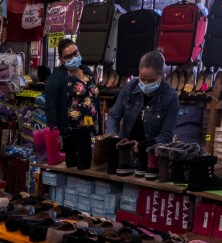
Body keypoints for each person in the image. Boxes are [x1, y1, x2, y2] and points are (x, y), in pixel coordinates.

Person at [106, 50, 179, 179]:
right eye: (142, 78)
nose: (145, 84)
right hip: (124, 154)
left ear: (161, 74)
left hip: (151, 158)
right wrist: (114, 137)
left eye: (151, 80)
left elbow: (166, 134)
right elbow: (114, 116)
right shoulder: (129, 88)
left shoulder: (170, 97)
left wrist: (143, 146)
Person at [44, 38, 99, 170]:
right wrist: (56, 133)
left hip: (91, 126)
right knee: (76, 166)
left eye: (75, 53)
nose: (74, 57)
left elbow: (94, 98)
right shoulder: (56, 79)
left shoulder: (86, 71)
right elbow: (50, 107)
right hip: (71, 133)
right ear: (62, 59)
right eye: (69, 56)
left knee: (90, 165)